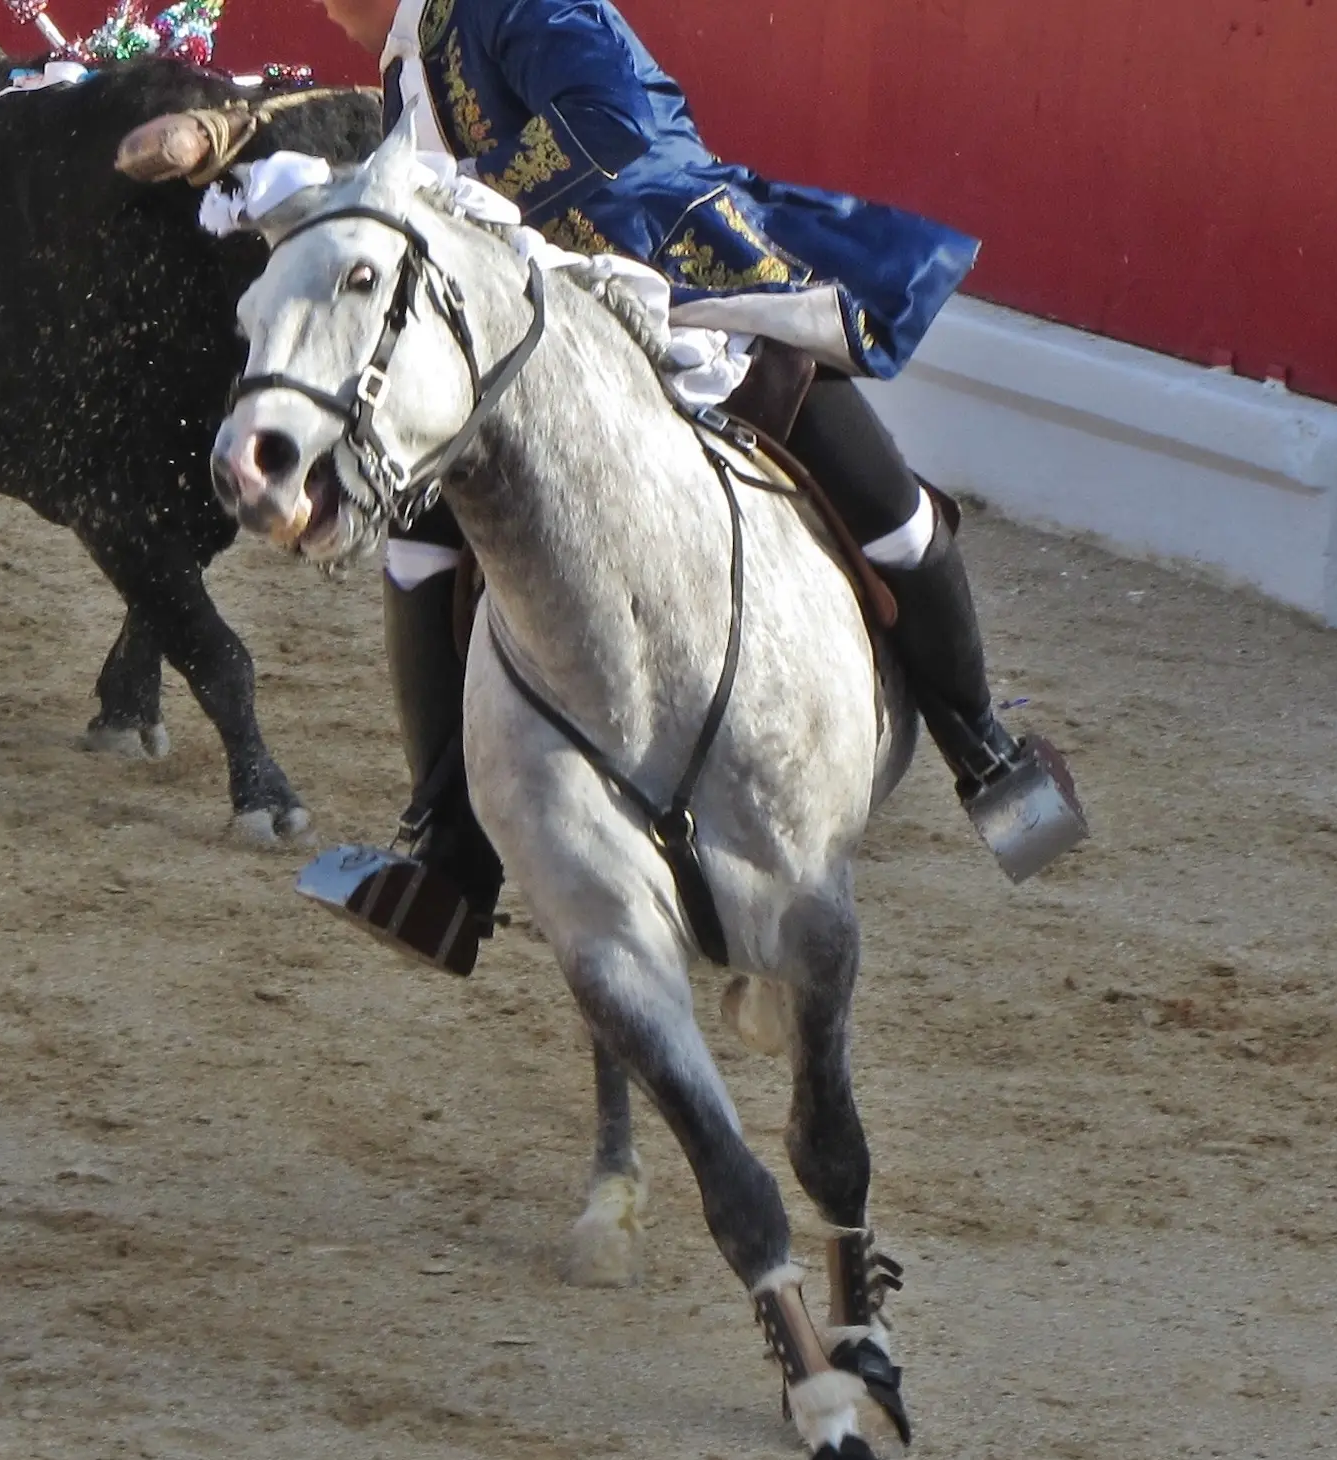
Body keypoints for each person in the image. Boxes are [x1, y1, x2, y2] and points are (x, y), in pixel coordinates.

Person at [285, 0, 1087, 972]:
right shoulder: (413, 58)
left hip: (682, 282)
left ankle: (988, 758)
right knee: (418, 541)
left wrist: (469, 219)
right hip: (538, 350)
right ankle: (448, 860)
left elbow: (608, 129)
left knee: (899, 521)